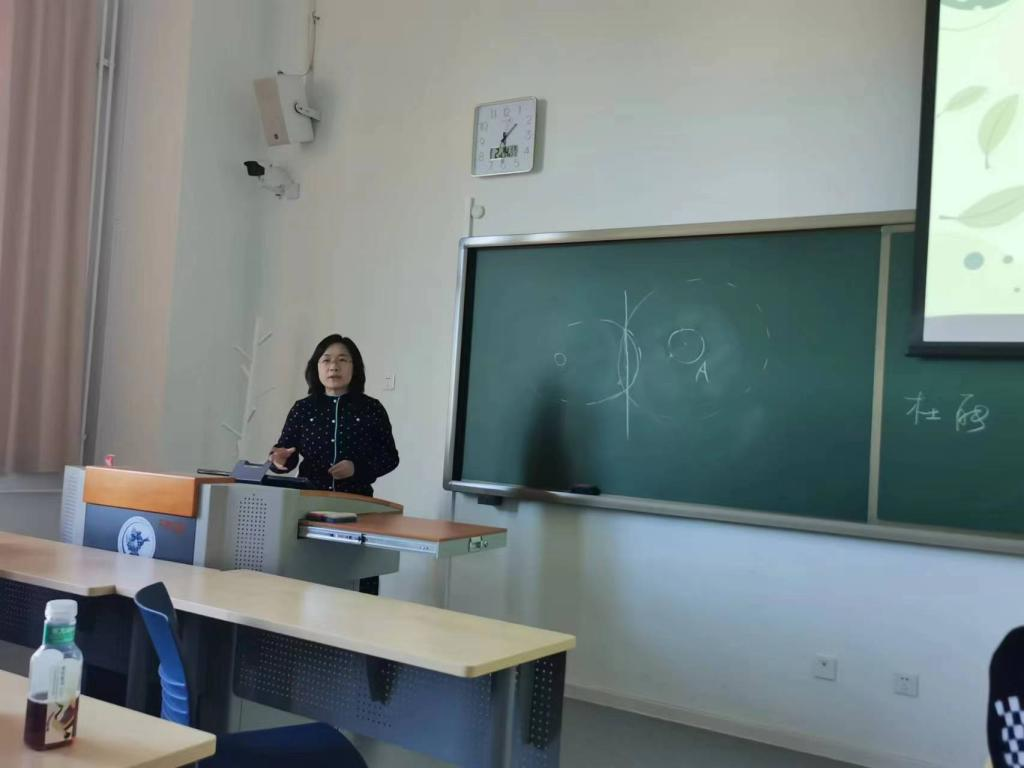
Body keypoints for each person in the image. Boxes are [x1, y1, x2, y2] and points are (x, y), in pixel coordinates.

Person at [269, 334, 398, 496]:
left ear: (355, 367)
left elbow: (389, 457)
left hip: (356, 500)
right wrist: (278, 459)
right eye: (326, 360)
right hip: (309, 498)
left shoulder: (371, 408)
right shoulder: (302, 408)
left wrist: (356, 468)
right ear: (316, 367)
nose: (333, 366)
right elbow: (287, 452)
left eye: (342, 360)